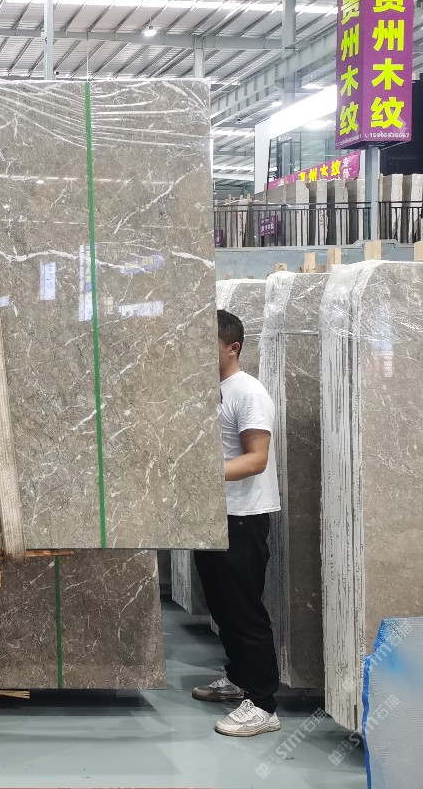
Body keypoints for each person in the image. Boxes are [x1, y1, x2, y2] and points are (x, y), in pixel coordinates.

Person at [192, 309, 282, 737]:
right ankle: (239, 679)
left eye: (206, 345)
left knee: (244, 611)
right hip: (214, 515)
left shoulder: (248, 392)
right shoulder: (214, 390)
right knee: (221, 606)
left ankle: (263, 705)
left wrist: (197, 471)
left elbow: (256, 459)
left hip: (243, 519)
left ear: (233, 347)